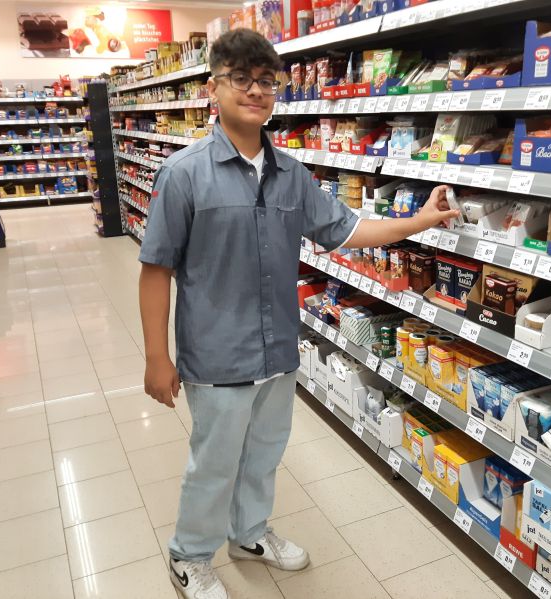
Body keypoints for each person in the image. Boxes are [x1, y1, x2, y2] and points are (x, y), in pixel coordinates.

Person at [138, 28, 458, 599]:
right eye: (241, 78)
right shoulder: (183, 173)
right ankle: (189, 555)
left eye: (267, 81)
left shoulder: (292, 176)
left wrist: (422, 221)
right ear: (214, 88)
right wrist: (156, 358)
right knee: (214, 463)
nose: (255, 90)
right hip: (217, 354)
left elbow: (350, 231)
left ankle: (248, 535)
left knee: (264, 454)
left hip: (280, 348)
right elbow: (156, 270)